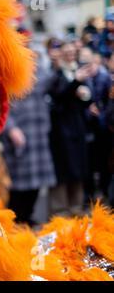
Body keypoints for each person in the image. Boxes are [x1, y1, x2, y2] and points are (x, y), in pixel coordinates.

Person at [1, 62, 56, 226]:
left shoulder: (38, 70)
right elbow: (0, 104)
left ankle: (27, 217)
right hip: (18, 134)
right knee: (17, 182)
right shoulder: (6, 75)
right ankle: (15, 219)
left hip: (38, 133)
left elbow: (51, 79)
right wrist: (10, 128)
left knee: (37, 182)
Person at [47, 41, 92, 217]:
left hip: (78, 127)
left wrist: (85, 96)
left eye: (73, 52)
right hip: (61, 129)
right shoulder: (56, 75)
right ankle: (60, 210)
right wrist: (75, 83)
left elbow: (86, 99)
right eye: (67, 52)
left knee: (79, 168)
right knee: (63, 169)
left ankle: (76, 207)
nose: (71, 55)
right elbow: (58, 99)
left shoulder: (78, 71)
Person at [81, 48, 112, 204]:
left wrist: (100, 113)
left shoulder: (105, 78)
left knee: (104, 162)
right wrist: (88, 110)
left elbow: (109, 102)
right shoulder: (82, 77)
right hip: (87, 127)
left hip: (103, 127)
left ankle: (104, 192)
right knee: (88, 163)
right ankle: (89, 195)